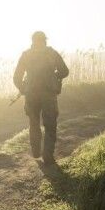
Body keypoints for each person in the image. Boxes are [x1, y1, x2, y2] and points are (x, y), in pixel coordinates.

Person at [13, 31, 69, 165]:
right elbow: (65, 71)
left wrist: (23, 89)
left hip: (31, 95)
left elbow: (16, 77)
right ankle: (48, 156)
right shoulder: (52, 53)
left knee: (34, 122)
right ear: (45, 40)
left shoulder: (26, 55)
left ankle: (36, 152)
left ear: (32, 41)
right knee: (50, 125)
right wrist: (56, 76)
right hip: (48, 95)